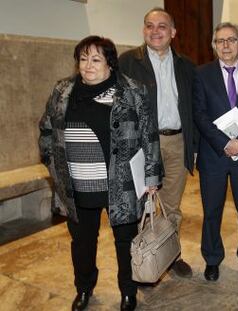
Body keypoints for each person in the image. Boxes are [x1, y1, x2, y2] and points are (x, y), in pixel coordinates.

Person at [39, 36, 162, 311]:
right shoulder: (63, 91)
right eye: (83, 59)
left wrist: (152, 177)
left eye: (95, 59)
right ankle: (84, 288)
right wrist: (51, 161)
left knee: (124, 242)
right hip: (77, 184)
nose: (87, 66)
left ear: (110, 63)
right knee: (82, 243)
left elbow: (149, 136)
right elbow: (46, 128)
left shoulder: (132, 91)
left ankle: (128, 291)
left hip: (121, 183)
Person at [119, 7, 195, 278]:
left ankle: (171, 254)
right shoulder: (127, 62)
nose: (155, 31)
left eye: (162, 26)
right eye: (149, 25)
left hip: (177, 142)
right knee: (142, 205)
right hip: (142, 146)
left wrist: (193, 146)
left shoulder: (186, 66)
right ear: (143, 30)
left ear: (173, 32)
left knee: (171, 205)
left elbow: (194, 107)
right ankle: (144, 259)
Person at [193, 22, 238, 281]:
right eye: (220, 41)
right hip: (213, 154)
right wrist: (223, 142)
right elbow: (199, 114)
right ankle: (212, 258)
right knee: (212, 210)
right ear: (213, 46)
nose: (226, 45)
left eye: (232, 40)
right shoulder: (201, 75)